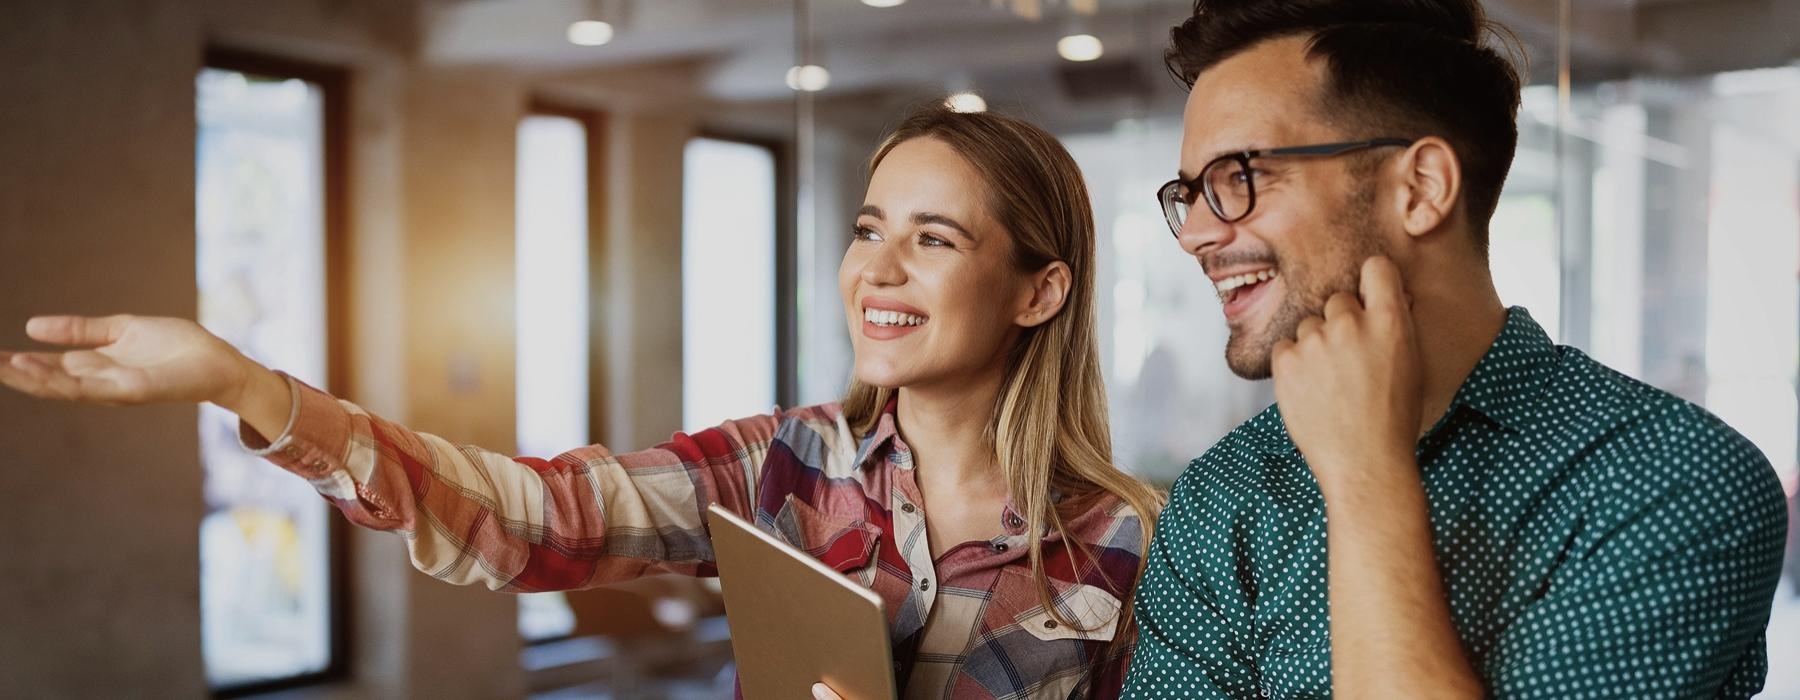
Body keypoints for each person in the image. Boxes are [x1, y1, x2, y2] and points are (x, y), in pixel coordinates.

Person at [0, 104, 1162, 700]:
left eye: (934, 238)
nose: (877, 268)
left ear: (1038, 289)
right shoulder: (788, 464)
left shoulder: (1129, 541)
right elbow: (528, 518)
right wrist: (245, 384)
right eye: (868, 229)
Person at [1124, 0, 1789, 697]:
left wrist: (1365, 477)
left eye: (1240, 177)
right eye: (1191, 193)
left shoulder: (1672, 482)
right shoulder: (1223, 494)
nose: (1195, 232)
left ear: (1421, 188)